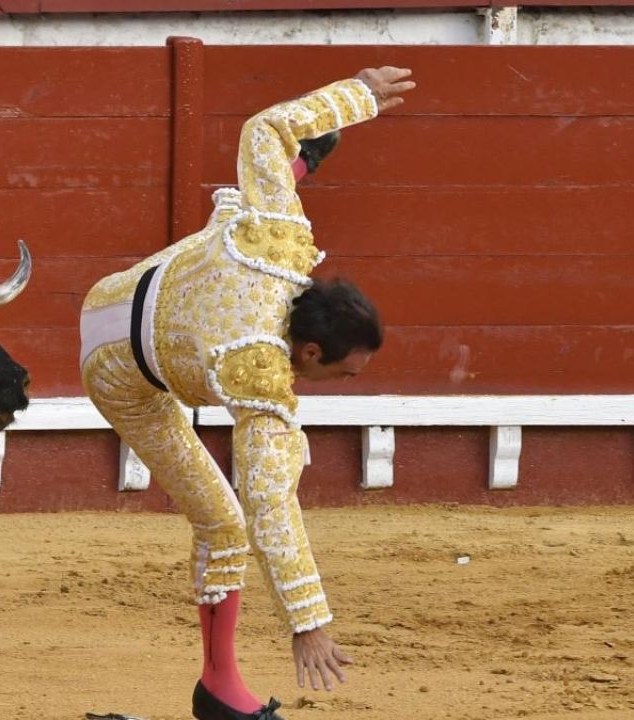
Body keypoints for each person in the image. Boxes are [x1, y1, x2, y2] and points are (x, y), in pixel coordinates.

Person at [78, 66, 416, 720]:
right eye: (342, 373)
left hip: (119, 290)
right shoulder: (258, 373)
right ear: (309, 352)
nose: (343, 383)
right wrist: (307, 620)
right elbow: (267, 502)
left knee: (237, 214)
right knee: (226, 520)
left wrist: (358, 95)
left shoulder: (283, 245)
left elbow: (264, 126)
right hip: (119, 374)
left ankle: (297, 171)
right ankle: (218, 683)